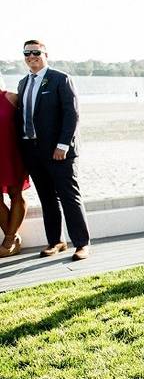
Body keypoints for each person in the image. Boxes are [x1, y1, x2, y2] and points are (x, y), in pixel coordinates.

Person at [16, 40, 91, 260]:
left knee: (69, 196)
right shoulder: (23, 83)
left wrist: (62, 145)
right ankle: (56, 241)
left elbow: (72, 114)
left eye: (35, 52)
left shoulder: (60, 79)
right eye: (27, 53)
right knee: (47, 198)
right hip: (33, 151)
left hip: (59, 151)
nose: (31, 56)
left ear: (45, 53)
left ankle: (82, 244)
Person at [0, 81, 29, 256]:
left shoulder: (12, 98)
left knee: (15, 193)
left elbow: (31, 121)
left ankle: (9, 240)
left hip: (13, 153)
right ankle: (13, 237)